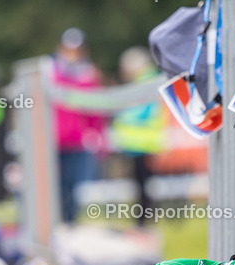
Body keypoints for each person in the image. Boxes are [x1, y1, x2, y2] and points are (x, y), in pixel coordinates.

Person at [52, 29, 106, 223]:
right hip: (54, 139)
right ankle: (57, 222)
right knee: (56, 185)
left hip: (77, 140)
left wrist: (98, 136)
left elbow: (95, 110)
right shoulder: (51, 73)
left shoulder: (88, 76)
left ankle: (69, 223)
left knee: (74, 186)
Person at [110, 47, 165, 226]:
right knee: (143, 186)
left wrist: (120, 117)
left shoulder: (145, 83)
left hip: (142, 143)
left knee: (143, 186)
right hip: (142, 142)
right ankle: (144, 220)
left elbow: (141, 112)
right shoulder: (147, 81)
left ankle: (143, 222)